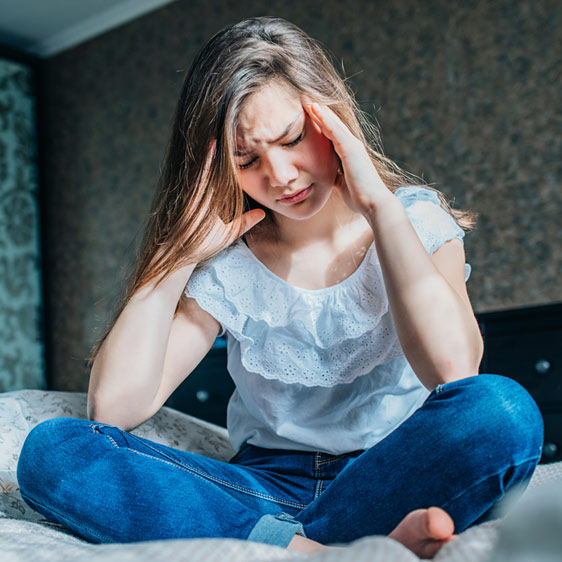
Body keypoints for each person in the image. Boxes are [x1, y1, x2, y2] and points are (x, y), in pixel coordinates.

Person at [17, 17, 544, 559]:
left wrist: (380, 208)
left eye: (293, 139)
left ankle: (295, 545)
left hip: (392, 475)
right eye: (247, 160)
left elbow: (455, 371)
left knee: (501, 411)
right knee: (55, 450)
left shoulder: (417, 221)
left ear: (332, 120)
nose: (282, 175)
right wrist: (179, 255)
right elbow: (113, 408)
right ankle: (317, 550)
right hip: (264, 490)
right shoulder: (229, 266)